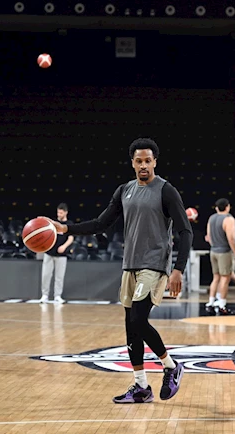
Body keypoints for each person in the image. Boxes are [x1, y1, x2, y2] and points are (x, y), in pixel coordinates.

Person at [52, 138, 192, 404]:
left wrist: (178, 269)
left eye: (147, 161)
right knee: (131, 328)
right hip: (130, 265)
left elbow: (185, 230)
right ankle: (141, 386)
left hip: (154, 265)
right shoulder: (124, 190)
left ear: (155, 162)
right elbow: (101, 223)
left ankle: (172, 366)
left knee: (139, 320)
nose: (143, 165)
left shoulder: (166, 190)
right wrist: (66, 229)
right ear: (132, 163)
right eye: (138, 161)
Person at [205, 198, 235, 315]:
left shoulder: (212, 218)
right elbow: (231, 238)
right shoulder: (229, 219)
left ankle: (210, 303)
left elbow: (208, 237)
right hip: (224, 251)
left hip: (213, 251)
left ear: (217, 208)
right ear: (228, 207)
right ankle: (222, 305)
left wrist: (214, 245)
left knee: (215, 278)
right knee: (225, 278)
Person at [40, 203, 74, 304]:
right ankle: (44, 295)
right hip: (49, 253)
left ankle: (57, 296)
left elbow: (71, 238)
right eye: (58, 212)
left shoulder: (69, 224)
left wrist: (64, 246)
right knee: (46, 275)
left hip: (62, 255)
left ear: (66, 213)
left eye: (61, 212)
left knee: (59, 277)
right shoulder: (53, 223)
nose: (59, 214)